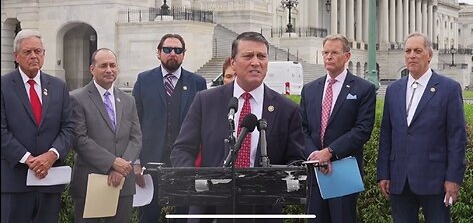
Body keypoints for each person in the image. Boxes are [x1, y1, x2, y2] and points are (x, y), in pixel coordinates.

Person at [171, 31, 305, 222]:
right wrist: (196, 183)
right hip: (210, 210)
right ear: (233, 62)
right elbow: (182, 149)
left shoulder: (287, 109)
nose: (256, 62)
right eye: (248, 56)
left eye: (261, 56)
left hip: (262, 211)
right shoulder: (206, 100)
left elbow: (295, 161)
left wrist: (280, 180)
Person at [377, 32, 467, 223]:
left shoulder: (449, 89)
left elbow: (457, 137)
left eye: (418, 50)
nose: (412, 55)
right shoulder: (393, 90)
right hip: (399, 180)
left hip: (435, 181)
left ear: (429, 55)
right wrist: (383, 173)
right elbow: (386, 134)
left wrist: (453, 178)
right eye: (408, 51)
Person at [300, 34, 376, 222]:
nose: (329, 57)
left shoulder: (363, 89)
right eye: (326, 52)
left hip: (343, 170)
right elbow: (302, 129)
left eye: (334, 52)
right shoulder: (309, 89)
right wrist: (316, 156)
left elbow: (362, 130)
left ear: (347, 56)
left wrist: (330, 152)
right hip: (315, 170)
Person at [1, 29, 75, 223]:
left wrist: (51, 156)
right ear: (16, 56)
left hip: (49, 182)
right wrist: (29, 160)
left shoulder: (59, 87)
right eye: (27, 52)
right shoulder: (3, 86)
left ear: (44, 54)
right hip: (15, 182)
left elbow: (69, 128)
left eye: (37, 51)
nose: (33, 56)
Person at [132, 33, 207, 223]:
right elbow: (134, 123)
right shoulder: (144, 80)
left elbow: (203, 125)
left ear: (183, 54)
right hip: (151, 164)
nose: (172, 53)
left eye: (177, 50)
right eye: (167, 49)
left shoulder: (197, 82)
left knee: (183, 215)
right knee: (148, 216)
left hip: (184, 164)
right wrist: (136, 162)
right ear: (158, 53)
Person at [69, 48, 142, 223]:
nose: (109, 69)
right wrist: (112, 163)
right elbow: (79, 139)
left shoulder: (128, 100)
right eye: (103, 66)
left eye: (112, 65)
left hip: (122, 184)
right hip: (90, 183)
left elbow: (136, 138)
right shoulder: (77, 98)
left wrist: (122, 167)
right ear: (92, 69)